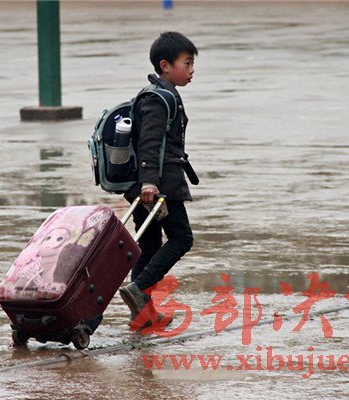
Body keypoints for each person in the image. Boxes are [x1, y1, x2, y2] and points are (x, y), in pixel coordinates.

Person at [119, 31, 198, 330]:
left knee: (149, 245)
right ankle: (139, 289)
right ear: (165, 65)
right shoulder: (159, 98)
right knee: (181, 238)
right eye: (187, 63)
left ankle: (143, 315)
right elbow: (149, 143)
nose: (192, 70)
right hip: (158, 185)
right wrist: (149, 183)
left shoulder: (159, 93)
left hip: (146, 184)